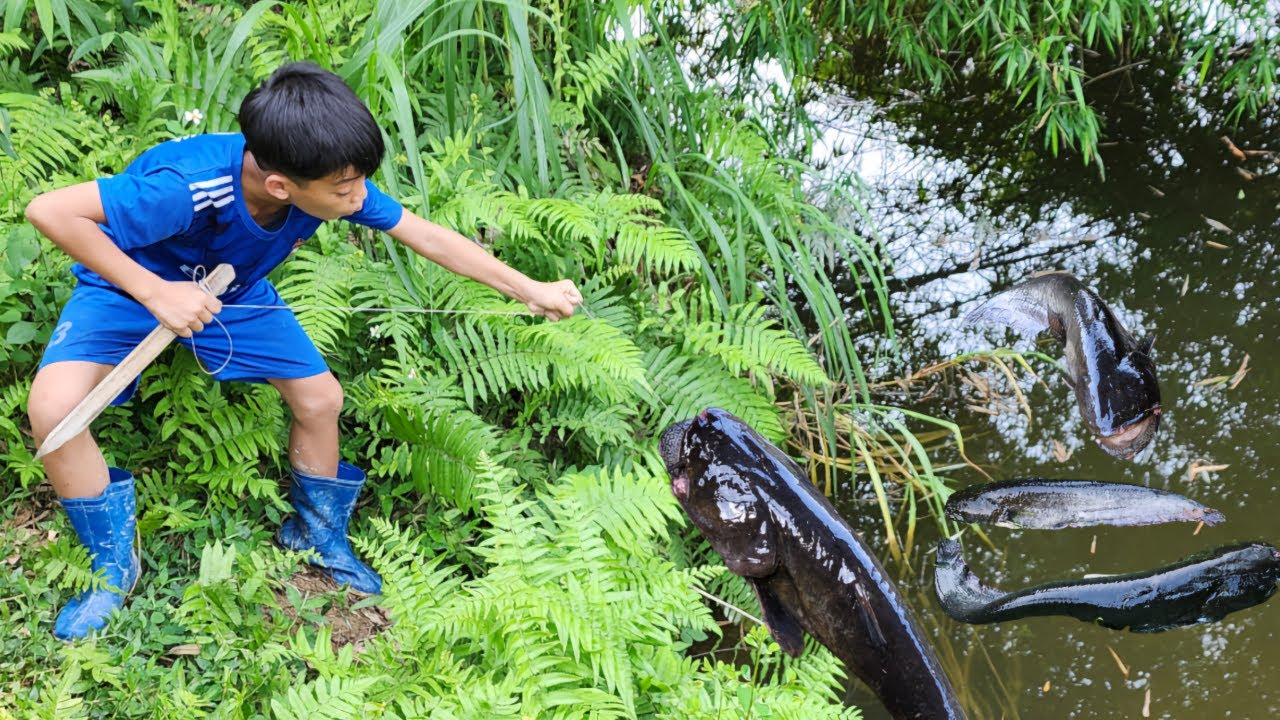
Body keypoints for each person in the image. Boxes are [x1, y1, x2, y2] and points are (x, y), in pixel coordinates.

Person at [23, 61, 583, 641]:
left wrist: (530, 290)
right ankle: (113, 566)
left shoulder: (325, 176)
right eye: (346, 190)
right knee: (53, 410)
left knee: (320, 399)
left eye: (360, 182)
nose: (360, 198)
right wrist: (155, 291)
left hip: (229, 290)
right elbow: (49, 210)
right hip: (129, 282)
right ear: (280, 186)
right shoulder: (185, 186)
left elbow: (429, 237)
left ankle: (317, 534)